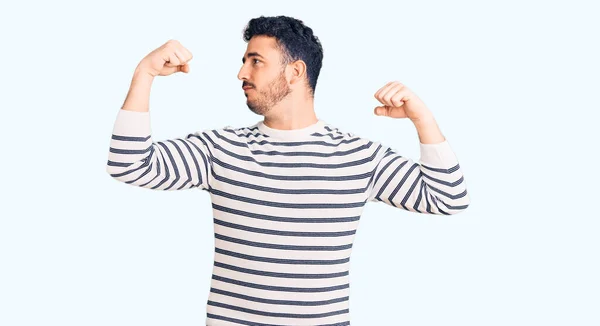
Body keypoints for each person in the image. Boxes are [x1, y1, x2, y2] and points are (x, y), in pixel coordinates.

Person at [106, 15, 470, 326]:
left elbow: (447, 198)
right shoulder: (220, 149)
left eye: (255, 61)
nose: (241, 73)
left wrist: (422, 118)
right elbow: (129, 164)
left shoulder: (358, 156)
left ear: (296, 71)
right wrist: (144, 73)